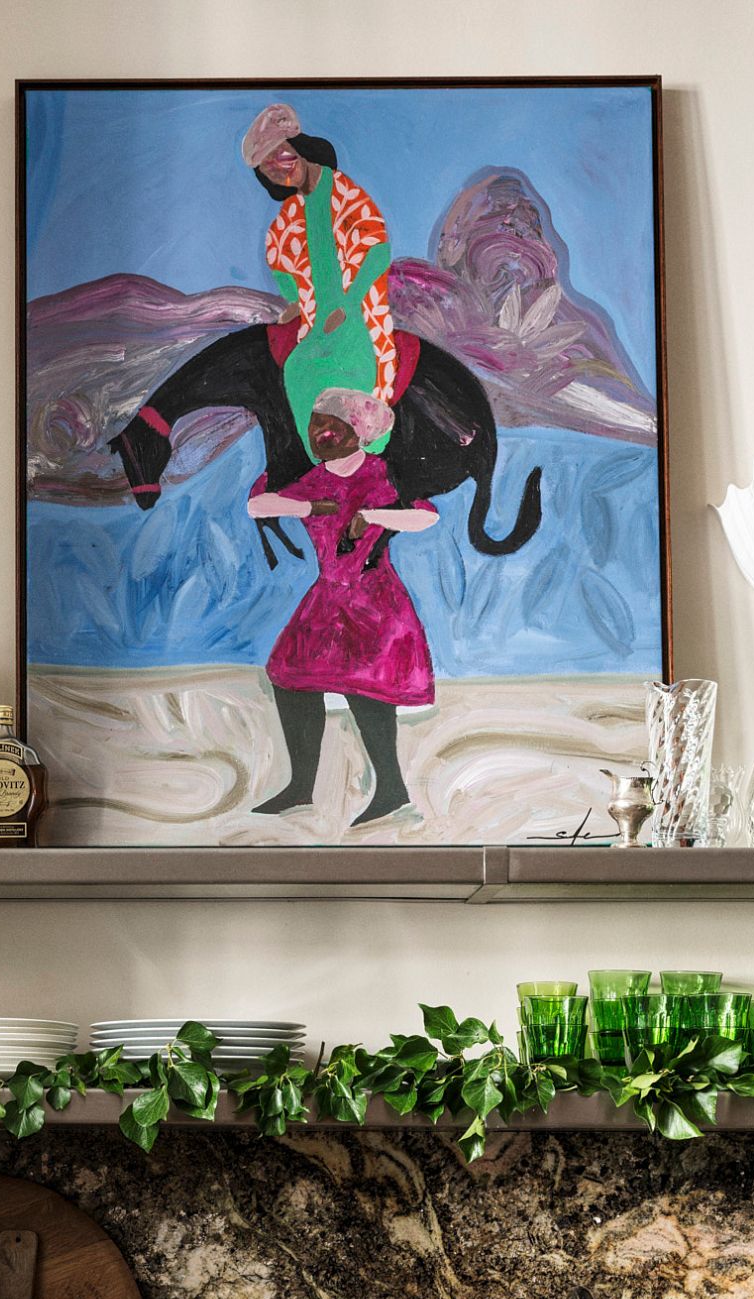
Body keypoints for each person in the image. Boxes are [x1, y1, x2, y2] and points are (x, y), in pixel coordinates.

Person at [248, 387, 437, 829]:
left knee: (363, 688)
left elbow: (426, 515)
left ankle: (391, 789)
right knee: (289, 677)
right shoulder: (316, 478)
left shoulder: (382, 473)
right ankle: (300, 787)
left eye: (333, 426)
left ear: (360, 434)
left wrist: (371, 516)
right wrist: (311, 504)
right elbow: (258, 505)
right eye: (316, 424)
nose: (321, 434)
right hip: (329, 595)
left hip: (374, 598)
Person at [241, 102, 396, 459]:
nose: (281, 172)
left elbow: (378, 252)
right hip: (315, 321)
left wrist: (349, 301)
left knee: (349, 381)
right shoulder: (289, 214)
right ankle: (317, 464)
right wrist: (293, 300)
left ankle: (364, 458)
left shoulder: (346, 194)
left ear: (300, 150)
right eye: (269, 170)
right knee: (297, 368)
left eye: (283, 158)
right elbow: (278, 258)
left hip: (356, 315)